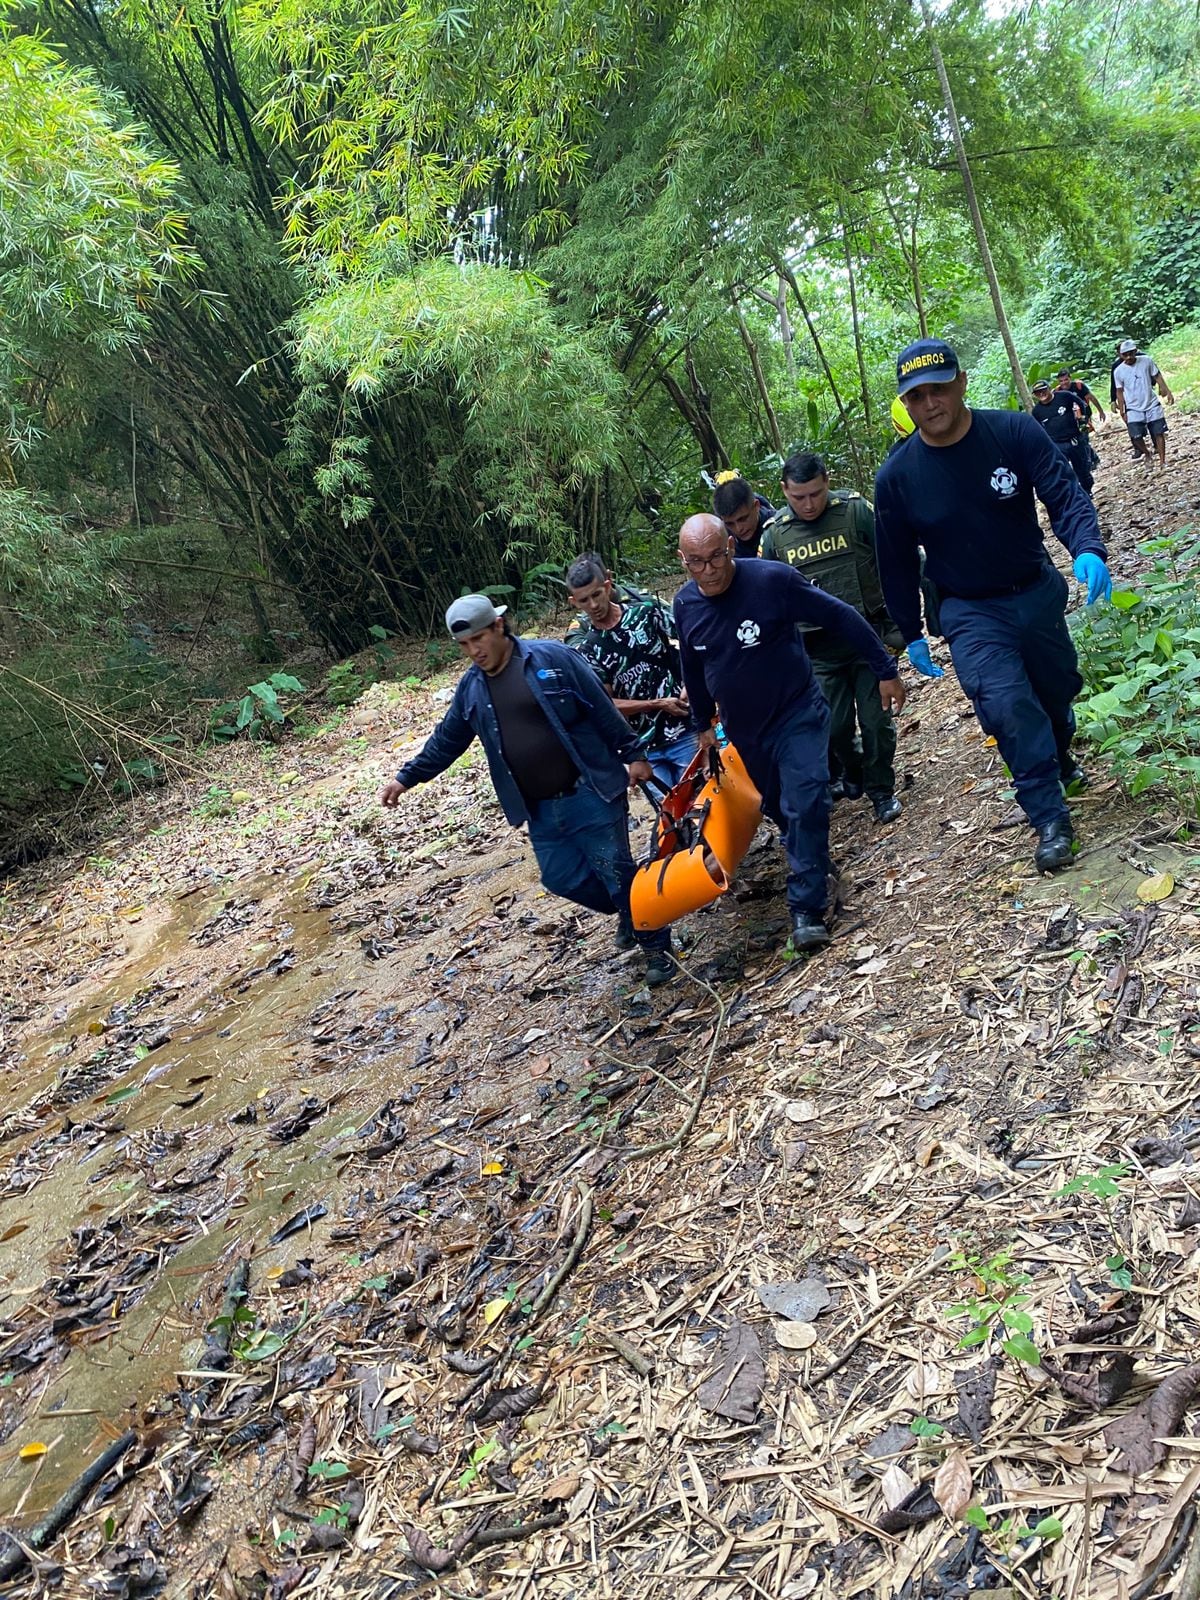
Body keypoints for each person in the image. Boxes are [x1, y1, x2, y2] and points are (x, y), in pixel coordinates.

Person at [874, 338, 1113, 876]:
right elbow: (892, 560)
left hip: (1033, 589)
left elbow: (1063, 491)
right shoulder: (897, 477)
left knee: (1055, 690)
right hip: (968, 610)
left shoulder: (1012, 431)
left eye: (939, 389)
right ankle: (1049, 818)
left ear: (960, 384)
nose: (930, 403)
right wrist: (908, 629)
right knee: (1006, 705)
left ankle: (1059, 751)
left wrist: (1087, 547)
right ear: (906, 406)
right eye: (917, 396)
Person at [380, 595, 676, 985]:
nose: (474, 651)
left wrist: (633, 754)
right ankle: (631, 909)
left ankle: (658, 949)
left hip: (589, 791)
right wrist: (406, 778)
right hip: (537, 807)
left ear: (499, 626)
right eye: (465, 646)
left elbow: (600, 707)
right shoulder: (472, 689)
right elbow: (447, 740)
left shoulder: (552, 659)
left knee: (617, 873)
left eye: (479, 639)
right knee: (561, 878)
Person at [672, 514, 906, 951]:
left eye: (717, 557)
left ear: (731, 547)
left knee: (807, 800)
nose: (710, 571)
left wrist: (884, 668)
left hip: (796, 711)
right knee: (780, 808)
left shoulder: (772, 581)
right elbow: (693, 665)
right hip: (745, 729)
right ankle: (815, 864)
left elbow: (841, 616)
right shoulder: (685, 605)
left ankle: (806, 908)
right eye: (697, 563)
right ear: (683, 561)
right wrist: (702, 724)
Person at [761, 451, 905, 824]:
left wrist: (899, 624)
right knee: (835, 727)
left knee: (877, 722)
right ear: (784, 491)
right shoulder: (776, 535)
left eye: (815, 494)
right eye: (798, 497)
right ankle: (852, 767)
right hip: (818, 652)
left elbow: (889, 561)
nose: (808, 505)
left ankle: (880, 790)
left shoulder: (855, 511)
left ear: (826, 481)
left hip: (868, 640)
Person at [565, 553, 700, 789]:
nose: (594, 605)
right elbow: (606, 704)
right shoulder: (588, 649)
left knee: (702, 807)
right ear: (574, 602)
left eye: (596, 594)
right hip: (645, 750)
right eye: (584, 600)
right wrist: (656, 704)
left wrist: (690, 684)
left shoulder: (646, 612)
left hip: (684, 731)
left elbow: (692, 643)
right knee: (670, 819)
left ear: (607, 586)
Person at [1113, 338, 1174, 467]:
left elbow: (1157, 376)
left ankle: (1163, 461)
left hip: (1151, 403)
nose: (1129, 357)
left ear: (1135, 351)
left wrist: (1167, 391)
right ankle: (1147, 453)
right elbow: (1119, 391)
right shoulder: (1118, 371)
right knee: (1136, 436)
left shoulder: (1146, 361)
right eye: (1125, 355)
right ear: (1121, 355)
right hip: (1133, 407)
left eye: (1131, 353)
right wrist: (1122, 410)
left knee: (1159, 432)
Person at [1031, 379, 1093, 494]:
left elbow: (1081, 403)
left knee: (1083, 469)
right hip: (1057, 445)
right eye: (1037, 392)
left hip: (1075, 439)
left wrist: (1083, 419)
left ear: (1049, 389)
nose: (1041, 394)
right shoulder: (1037, 411)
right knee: (1063, 472)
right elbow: (1037, 429)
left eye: (1043, 390)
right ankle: (1073, 494)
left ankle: (1087, 490)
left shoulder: (1064, 396)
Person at [712, 471, 775, 558]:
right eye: (730, 524)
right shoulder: (720, 538)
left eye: (743, 519)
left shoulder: (777, 527)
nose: (738, 529)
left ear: (756, 506)